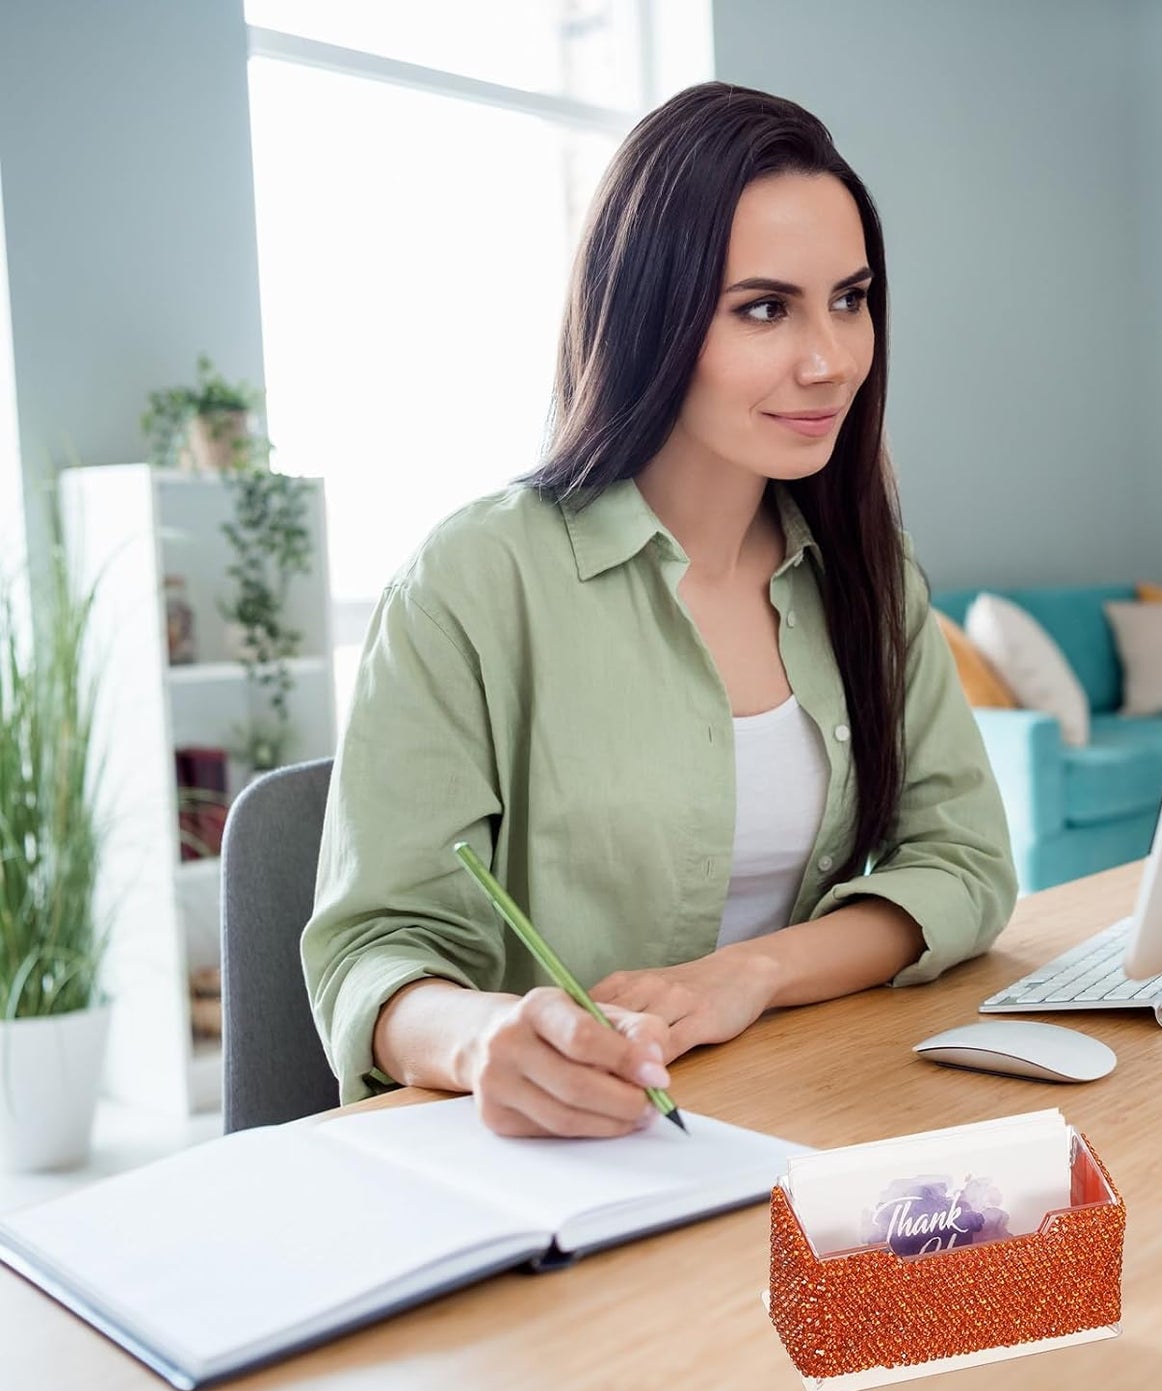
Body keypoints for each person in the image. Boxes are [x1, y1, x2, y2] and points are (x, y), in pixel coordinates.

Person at [301, 81, 1017, 1138]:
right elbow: (373, 952)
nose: (829, 360)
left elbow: (961, 862)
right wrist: (482, 1037)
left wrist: (751, 972)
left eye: (850, 297)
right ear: (652, 317)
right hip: (555, 1162)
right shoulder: (475, 578)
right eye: (764, 308)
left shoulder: (866, 571)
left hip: (789, 1114)